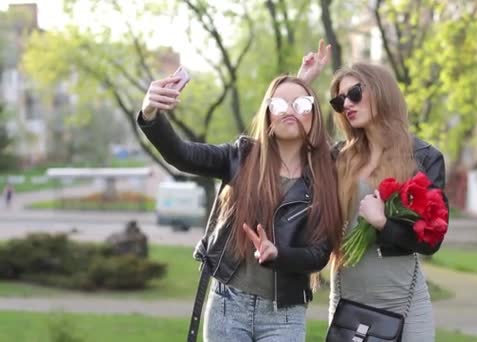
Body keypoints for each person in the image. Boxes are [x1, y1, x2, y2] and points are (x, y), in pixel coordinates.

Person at [136, 74, 342, 342]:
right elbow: (181, 154)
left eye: (301, 104)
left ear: (314, 113)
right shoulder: (240, 157)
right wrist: (150, 112)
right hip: (228, 304)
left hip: (285, 314)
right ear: (268, 113)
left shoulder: (327, 175)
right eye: (279, 104)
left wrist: (278, 254)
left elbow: (318, 255)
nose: (290, 111)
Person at [298, 41, 448, 342]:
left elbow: (431, 242)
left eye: (355, 93)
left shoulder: (423, 158)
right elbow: (286, 140)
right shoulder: (338, 158)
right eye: (340, 101)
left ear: (381, 92)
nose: (348, 104)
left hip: (406, 307)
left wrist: (382, 223)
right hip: (347, 304)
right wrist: (302, 83)